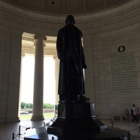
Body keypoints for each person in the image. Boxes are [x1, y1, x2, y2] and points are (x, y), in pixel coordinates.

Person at [56, 15, 88, 101]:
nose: (70, 21)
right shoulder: (61, 31)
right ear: (66, 21)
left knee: (79, 73)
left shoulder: (78, 32)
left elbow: (81, 48)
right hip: (66, 54)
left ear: (74, 21)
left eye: (71, 20)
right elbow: (58, 44)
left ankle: (80, 93)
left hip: (76, 53)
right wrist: (60, 54)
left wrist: (83, 61)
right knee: (66, 74)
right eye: (68, 20)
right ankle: (65, 94)